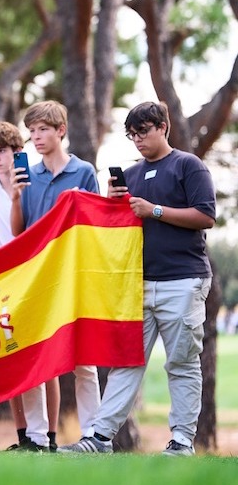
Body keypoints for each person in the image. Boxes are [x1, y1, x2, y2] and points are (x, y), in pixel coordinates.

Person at [60, 101, 215, 456]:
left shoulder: (188, 166)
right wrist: (113, 202)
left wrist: (154, 210)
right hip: (137, 283)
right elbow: (116, 228)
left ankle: (181, 442)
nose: (138, 140)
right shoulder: (129, 174)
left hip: (184, 279)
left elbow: (206, 216)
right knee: (126, 361)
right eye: (132, 135)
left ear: (163, 126)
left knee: (181, 362)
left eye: (143, 131)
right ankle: (99, 438)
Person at [10, 100, 101, 449]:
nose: (36, 137)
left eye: (43, 130)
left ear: (60, 131)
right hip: (36, 277)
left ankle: (92, 433)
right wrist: (16, 197)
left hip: (74, 276)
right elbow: (20, 231)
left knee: (83, 360)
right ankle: (35, 436)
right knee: (35, 356)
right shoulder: (27, 175)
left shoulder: (83, 172)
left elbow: (95, 225)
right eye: (31, 131)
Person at [0, 119, 52, 452]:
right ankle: (24, 436)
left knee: (43, 358)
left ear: (17, 152)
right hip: (3, 279)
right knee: (10, 357)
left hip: (38, 274)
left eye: (3, 151)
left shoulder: (37, 182)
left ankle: (46, 436)